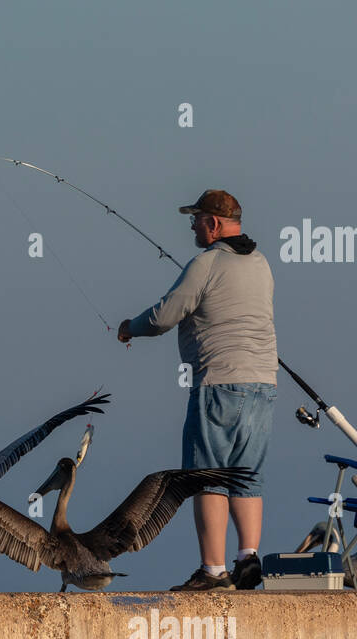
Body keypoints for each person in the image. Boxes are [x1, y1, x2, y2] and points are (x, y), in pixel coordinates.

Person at [117, 189, 276, 591]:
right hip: (264, 385)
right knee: (247, 478)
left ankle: (213, 570)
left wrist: (128, 327)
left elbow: (164, 316)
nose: (191, 224)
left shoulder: (205, 263)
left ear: (214, 224)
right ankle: (248, 558)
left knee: (207, 479)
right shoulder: (261, 264)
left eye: (196, 218)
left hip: (219, 384)